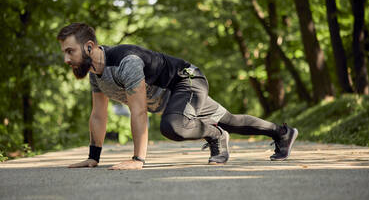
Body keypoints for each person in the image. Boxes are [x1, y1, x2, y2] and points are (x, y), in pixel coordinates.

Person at [57, 23, 298, 170]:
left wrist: (138, 159)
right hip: (175, 97)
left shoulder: (125, 62)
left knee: (173, 126)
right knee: (230, 120)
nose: (66, 59)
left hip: (187, 80)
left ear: (89, 47)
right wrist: (93, 157)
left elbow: (139, 111)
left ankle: (216, 134)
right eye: (64, 53)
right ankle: (283, 133)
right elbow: (98, 116)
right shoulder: (95, 73)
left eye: (70, 51)